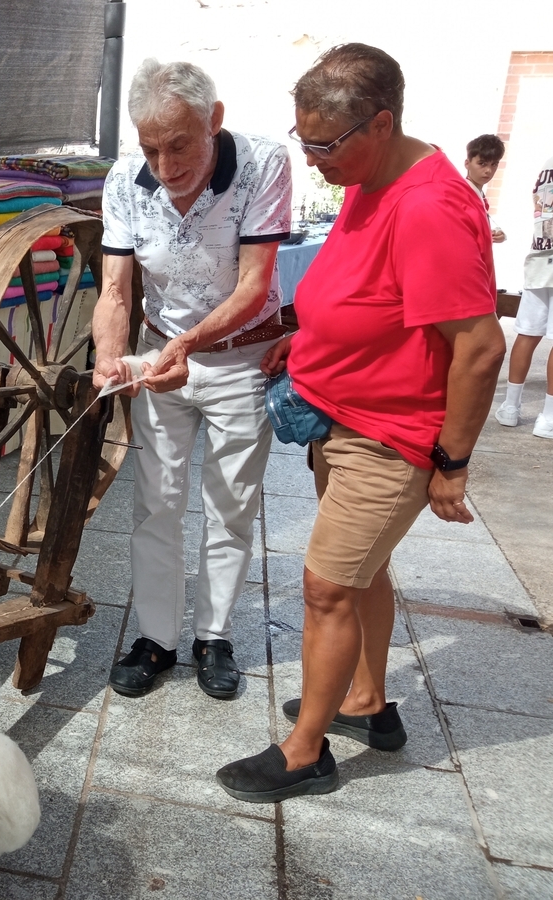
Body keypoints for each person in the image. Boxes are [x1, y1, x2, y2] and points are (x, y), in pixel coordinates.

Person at [216, 44, 505, 803]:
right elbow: (372, 297)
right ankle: (366, 703)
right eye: (303, 140)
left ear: (380, 124)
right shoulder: (369, 173)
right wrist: (309, 335)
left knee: (326, 589)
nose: (312, 161)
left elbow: (479, 349)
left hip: (390, 434)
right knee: (361, 573)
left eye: (324, 145)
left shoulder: (429, 206)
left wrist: (452, 461)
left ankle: (306, 753)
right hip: (341, 415)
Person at [93, 58, 291, 701]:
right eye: (151, 147)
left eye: (179, 144)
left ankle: (213, 636)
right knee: (157, 500)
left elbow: (255, 283)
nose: (166, 165)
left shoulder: (263, 163)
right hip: (160, 356)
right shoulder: (127, 179)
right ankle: (157, 638)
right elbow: (116, 291)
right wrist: (108, 356)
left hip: (241, 355)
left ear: (215, 121)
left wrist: (186, 344)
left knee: (230, 504)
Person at [493, 150, 553, 435]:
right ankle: (548, 417)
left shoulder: (547, 165)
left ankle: (510, 406)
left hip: (540, 257)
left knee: (528, 333)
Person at [464, 134, 507, 243]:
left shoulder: (480, 196)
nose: (488, 170)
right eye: (482, 163)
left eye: (494, 164)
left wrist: (492, 233)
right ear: (467, 163)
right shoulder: (459, 194)